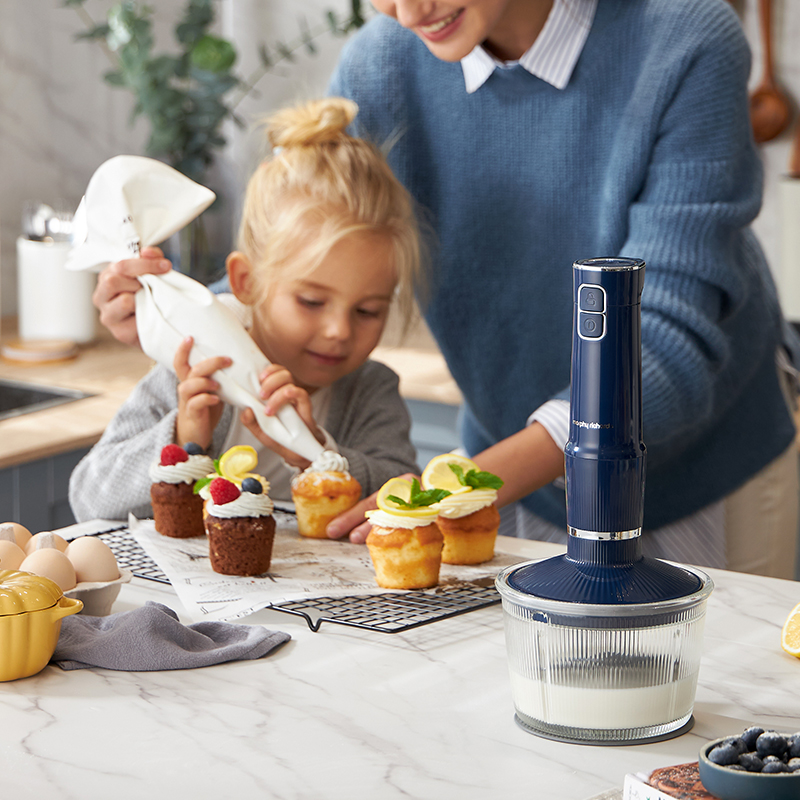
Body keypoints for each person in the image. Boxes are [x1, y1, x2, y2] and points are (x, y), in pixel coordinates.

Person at [91, 0, 799, 579]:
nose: (406, 9)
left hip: (701, 470)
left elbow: (668, 341)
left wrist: (453, 490)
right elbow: (302, 249)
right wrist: (177, 310)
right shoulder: (385, 61)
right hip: (496, 465)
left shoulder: (683, 41)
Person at [69, 98, 421, 522]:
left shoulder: (369, 390)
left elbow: (405, 492)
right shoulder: (197, 365)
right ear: (246, 282)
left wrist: (320, 454)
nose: (338, 331)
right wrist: (184, 440)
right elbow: (89, 497)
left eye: (368, 311)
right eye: (311, 301)